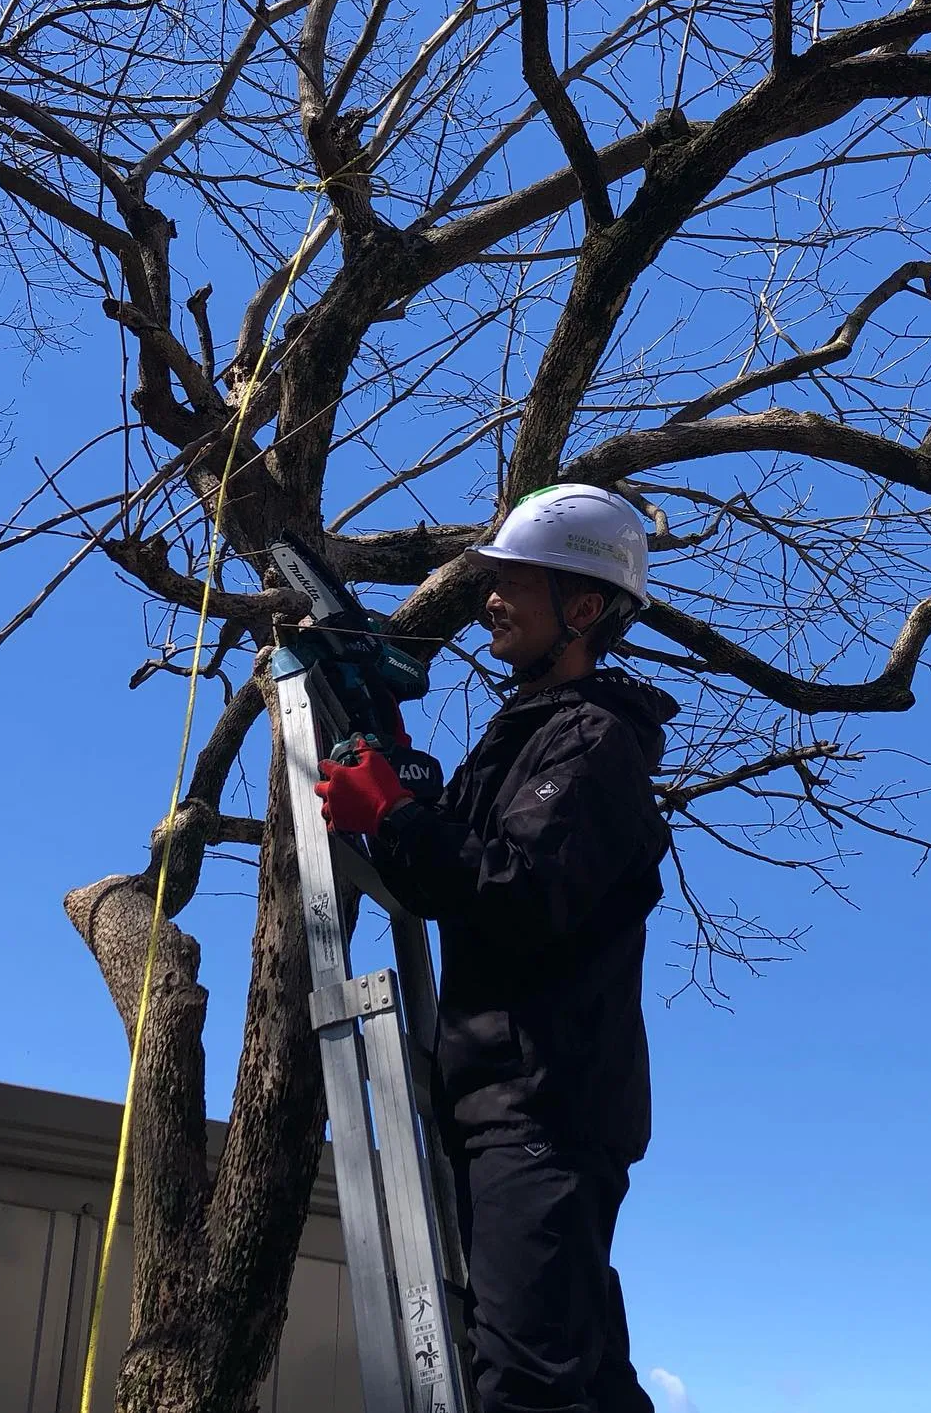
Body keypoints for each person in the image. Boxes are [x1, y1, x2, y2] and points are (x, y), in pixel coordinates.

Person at [315, 484, 676, 1413]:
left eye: (515, 582)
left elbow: (517, 890)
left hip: (542, 1103)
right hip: (519, 1099)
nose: (490, 599)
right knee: (586, 1380)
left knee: (526, 1385)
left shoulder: (591, 742)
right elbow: (464, 849)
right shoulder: (525, 740)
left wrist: (391, 816)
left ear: (584, 609)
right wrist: (400, 784)